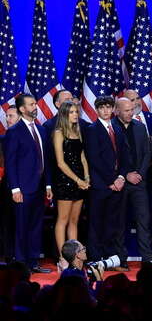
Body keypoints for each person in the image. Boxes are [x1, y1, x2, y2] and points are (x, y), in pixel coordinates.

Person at [3, 94, 53, 272]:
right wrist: (15, 188)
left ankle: (33, 261)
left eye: (35, 103)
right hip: (22, 188)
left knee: (35, 225)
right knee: (22, 225)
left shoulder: (42, 130)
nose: (35, 106)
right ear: (22, 109)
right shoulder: (14, 132)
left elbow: (45, 158)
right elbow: (10, 162)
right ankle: (22, 264)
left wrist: (48, 185)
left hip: (39, 187)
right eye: (31, 104)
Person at [85, 96, 128, 271]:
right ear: (97, 110)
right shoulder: (92, 129)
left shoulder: (117, 128)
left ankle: (109, 260)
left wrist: (121, 178)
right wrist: (112, 180)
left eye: (108, 107)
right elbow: (95, 159)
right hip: (100, 185)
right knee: (96, 223)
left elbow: (125, 155)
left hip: (117, 185)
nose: (105, 111)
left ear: (113, 109)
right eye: (102, 108)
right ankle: (95, 259)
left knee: (112, 224)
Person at [113, 97, 152, 265]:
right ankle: (121, 259)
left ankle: (147, 259)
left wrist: (140, 174)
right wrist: (125, 175)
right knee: (120, 221)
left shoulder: (140, 127)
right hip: (119, 182)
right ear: (117, 111)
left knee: (143, 220)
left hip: (139, 182)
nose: (131, 113)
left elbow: (147, 154)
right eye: (127, 110)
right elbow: (110, 157)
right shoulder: (111, 128)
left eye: (132, 110)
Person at [51, 100, 90, 259]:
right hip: (65, 180)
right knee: (63, 219)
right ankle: (62, 257)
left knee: (74, 220)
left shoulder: (78, 131)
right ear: (65, 114)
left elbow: (82, 157)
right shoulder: (59, 132)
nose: (75, 115)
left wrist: (86, 177)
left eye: (76, 112)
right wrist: (77, 180)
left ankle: (74, 256)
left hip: (80, 181)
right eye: (72, 112)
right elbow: (60, 163)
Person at [0, 105, 19, 262]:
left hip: (26, 186)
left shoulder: (30, 138)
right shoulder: (3, 139)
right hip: (6, 187)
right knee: (7, 221)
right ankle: (8, 254)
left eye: (11, 116)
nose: (7, 119)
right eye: (6, 115)